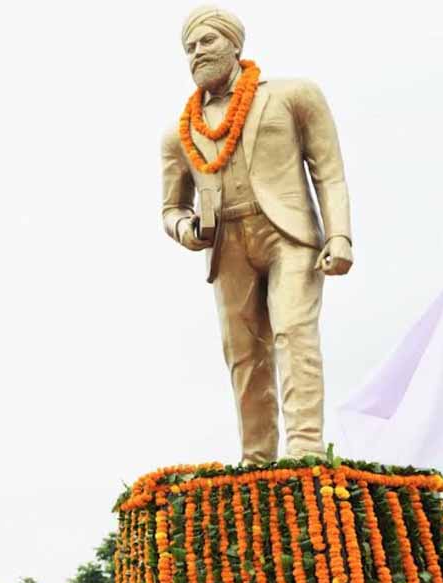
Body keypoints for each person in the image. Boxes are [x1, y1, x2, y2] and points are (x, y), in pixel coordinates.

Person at [161, 6, 354, 464]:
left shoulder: (294, 95)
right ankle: (257, 459)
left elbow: (328, 170)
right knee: (244, 357)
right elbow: (171, 208)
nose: (196, 53)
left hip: (288, 234)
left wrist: (340, 235)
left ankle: (305, 449)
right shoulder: (179, 132)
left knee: (293, 332)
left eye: (206, 41)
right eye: (189, 48)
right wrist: (185, 229)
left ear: (234, 44)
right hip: (226, 245)